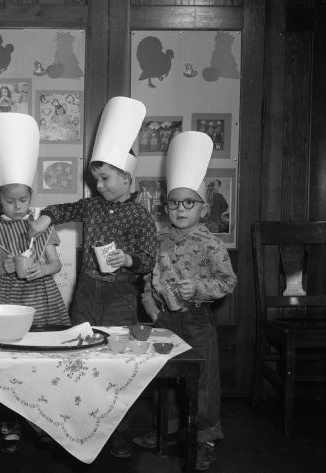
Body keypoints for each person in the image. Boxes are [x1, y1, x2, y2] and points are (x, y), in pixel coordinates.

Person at [30, 96, 158, 458]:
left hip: (120, 297)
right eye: (94, 179)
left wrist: (128, 258)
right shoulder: (92, 205)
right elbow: (62, 208)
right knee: (79, 354)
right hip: (86, 291)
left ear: (126, 176)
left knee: (116, 364)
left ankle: (117, 431)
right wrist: (45, 218)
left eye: (104, 179)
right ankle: (77, 426)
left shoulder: (141, 217)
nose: (98, 185)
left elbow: (148, 260)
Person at [134, 131, 237, 471]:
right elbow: (147, 277)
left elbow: (227, 281)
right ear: (166, 207)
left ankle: (204, 439)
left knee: (204, 381)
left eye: (188, 203)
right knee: (163, 378)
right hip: (164, 320)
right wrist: (150, 306)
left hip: (197, 321)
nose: (180, 209)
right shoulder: (158, 239)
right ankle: (166, 430)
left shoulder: (212, 244)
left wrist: (200, 289)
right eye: (174, 203)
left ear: (204, 209)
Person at [0, 112, 70, 453]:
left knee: (42, 359)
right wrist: (4, 266)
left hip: (41, 298)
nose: (18, 207)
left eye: (23, 200)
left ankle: (42, 418)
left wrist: (42, 270)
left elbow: (56, 263)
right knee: (10, 361)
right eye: (9, 200)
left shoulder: (42, 225)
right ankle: (10, 419)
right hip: (6, 299)